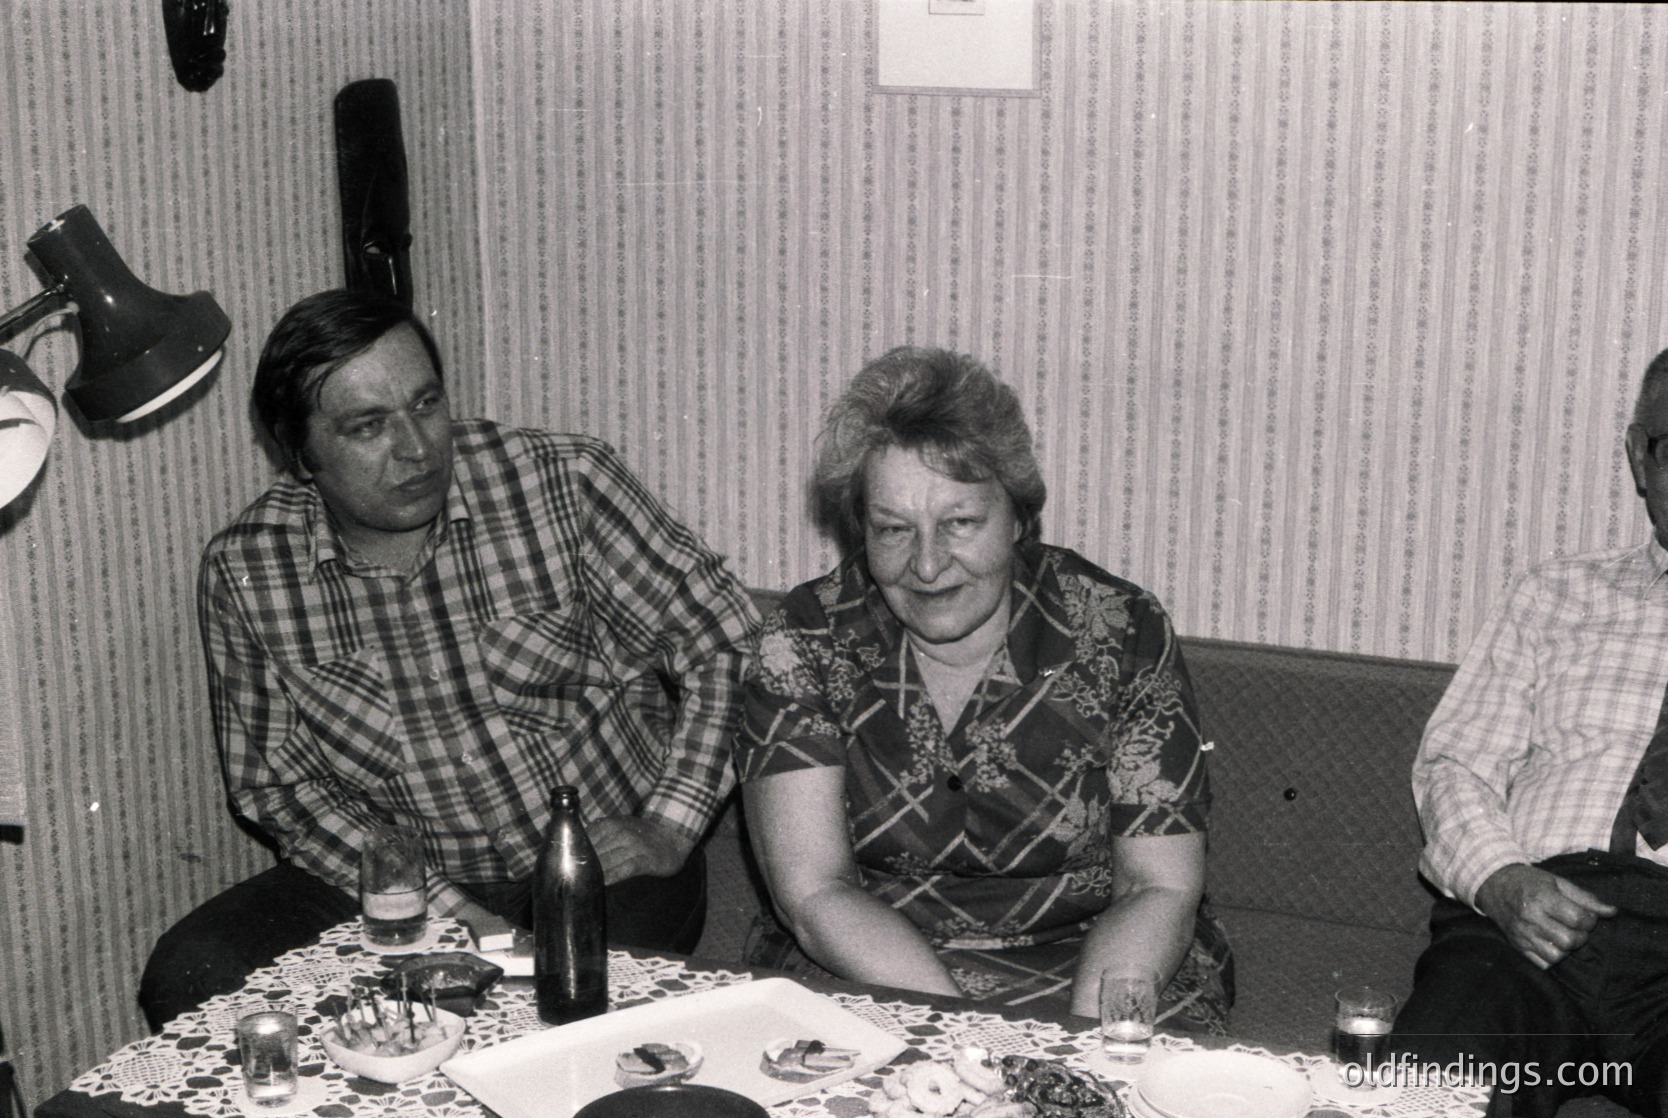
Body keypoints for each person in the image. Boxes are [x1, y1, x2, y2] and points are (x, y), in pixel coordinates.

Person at [139, 289, 758, 1029]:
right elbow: (282, 786)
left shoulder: (561, 482)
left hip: (595, 859)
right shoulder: (248, 571)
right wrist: (445, 907)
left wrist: (672, 823)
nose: (417, 449)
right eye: (368, 426)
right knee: (191, 972)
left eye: (426, 405)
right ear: (299, 452)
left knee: (560, 1001)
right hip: (404, 875)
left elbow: (724, 636)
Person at [733, 346, 1232, 1030]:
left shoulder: (1120, 631)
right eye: (893, 530)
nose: (929, 564)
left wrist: (1080, 1047)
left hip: (1099, 961)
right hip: (863, 967)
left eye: (960, 523)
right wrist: (964, 1040)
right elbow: (815, 893)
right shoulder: (801, 642)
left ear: (1018, 518)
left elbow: (1158, 885)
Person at [1392, 349, 1668, 1117]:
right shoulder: (1554, 593)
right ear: (1639, 456)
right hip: (1530, 931)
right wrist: (1500, 881)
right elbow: (1456, 765)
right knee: (1428, 1081)